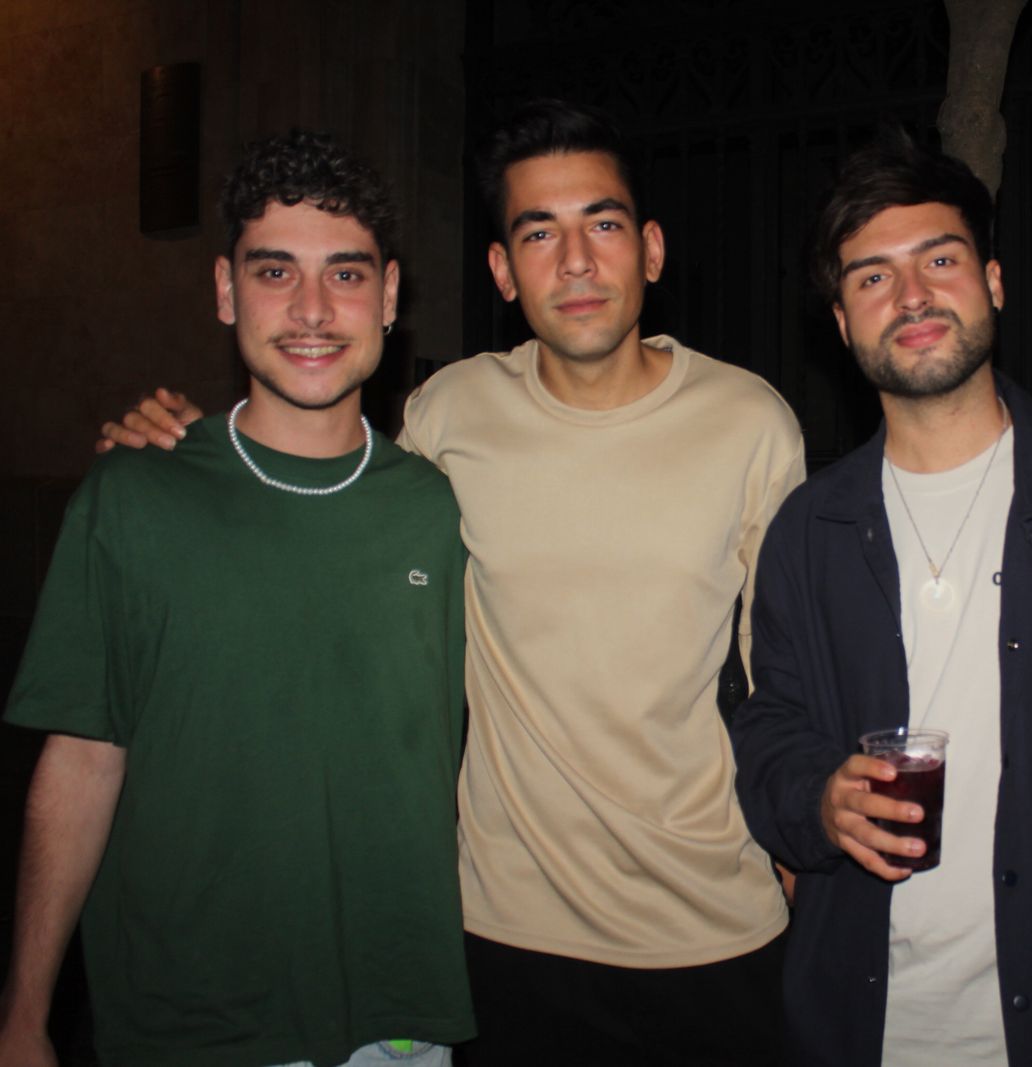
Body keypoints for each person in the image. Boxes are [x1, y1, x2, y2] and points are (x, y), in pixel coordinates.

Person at [98, 100, 803, 1065]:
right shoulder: (451, 409)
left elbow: (786, 672)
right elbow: (327, 500)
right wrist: (186, 444)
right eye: (538, 234)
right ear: (502, 273)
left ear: (651, 249)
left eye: (601, 224)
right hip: (502, 929)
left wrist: (800, 840)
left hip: (715, 921)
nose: (578, 262)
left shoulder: (751, 421)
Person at [0, 130, 473, 1066]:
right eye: (273, 272)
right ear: (225, 290)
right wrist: (25, 1009)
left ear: (388, 295)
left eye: (344, 274)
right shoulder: (133, 494)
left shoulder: (441, 508)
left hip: (397, 1019)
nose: (310, 309)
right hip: (188, 1021)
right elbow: (84, 759)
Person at [730, 132, 1032, 1065]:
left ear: (993, 282)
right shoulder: (809, 528)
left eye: (940, 259)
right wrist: (818, 797)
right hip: (864, 1018)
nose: (912, 295)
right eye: (872, 278)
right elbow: (770, 726)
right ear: (841, 323)